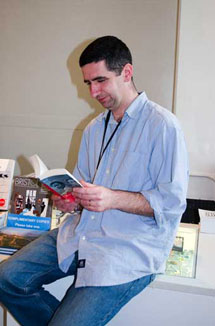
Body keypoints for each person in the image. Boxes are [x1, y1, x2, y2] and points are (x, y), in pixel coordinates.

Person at [0, 36, 189, 326]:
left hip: (126, 248)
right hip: (81, 232)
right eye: (88, 83)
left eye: (100, 80)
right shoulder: (94, 129)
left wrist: (112, 198)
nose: (93, 91)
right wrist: (70, 201)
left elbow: (172, 203)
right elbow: (84, 187)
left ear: (126, 72)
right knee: (6, 280)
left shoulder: (163, 126)